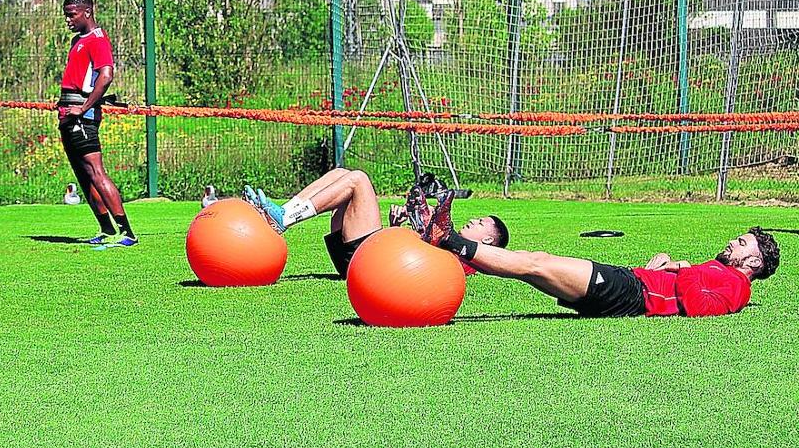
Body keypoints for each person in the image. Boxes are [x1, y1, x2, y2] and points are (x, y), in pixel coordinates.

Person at [427, 213, 780, 317]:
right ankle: (451, 246)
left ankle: (450, 240)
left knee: (536, 264)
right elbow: (682, 290)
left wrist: (681, 268)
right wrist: (662, 269)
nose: (733, 242)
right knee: (535, 265)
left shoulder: (738, 286)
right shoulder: (721, 271)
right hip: (632, 283)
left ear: (753, 261)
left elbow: (701, 308)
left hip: (629, 294)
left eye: (742, 243)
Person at [245, 168, 509, 279]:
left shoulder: (471, 261)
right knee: (341, 173)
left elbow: (427, 266)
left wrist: (416, 230)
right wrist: (398, 227)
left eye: (481, 222)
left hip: (368, 265)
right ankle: (283, 212)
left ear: (488, 240)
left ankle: (285, 219)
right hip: (366, 259)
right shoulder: (451, 241)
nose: (474, 220)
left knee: (358, 179)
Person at [58, 0, 136, 247]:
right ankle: (106, 230)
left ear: (87, 12)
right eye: (66, 15)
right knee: (84, 176)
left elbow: (106, 76)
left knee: (96, 171)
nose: (68, 20)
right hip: (68, 114)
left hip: (83, 117)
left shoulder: (97, 39)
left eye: (72, 15)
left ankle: (127, 233)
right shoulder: (77, 41)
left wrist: (83, 108)